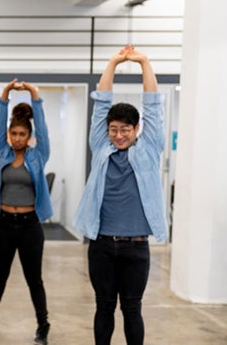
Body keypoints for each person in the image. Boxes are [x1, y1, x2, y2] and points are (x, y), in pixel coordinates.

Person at [73, 45, 167, 345]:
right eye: (113, 129)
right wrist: (113, 61)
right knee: (103, 307)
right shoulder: (101, 145)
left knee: (132, 308)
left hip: (136, 247)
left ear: (137, 129)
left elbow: (153, 106)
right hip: (101, 244)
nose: (118, 135)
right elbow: (102, 103)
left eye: (125, 129)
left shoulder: (149, 148)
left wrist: (144, 63)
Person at [0, 79, 53, 343]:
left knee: (35, 279)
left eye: (22, 134)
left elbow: (41, 128)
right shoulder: (3, 153)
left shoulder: (38, 155)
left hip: (30, 225)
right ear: (10, 135)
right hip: (5, 224)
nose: (18, 138)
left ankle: (43, 325)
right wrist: (5, 95)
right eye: (14, 134)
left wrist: (34, 94)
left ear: (29, 136)